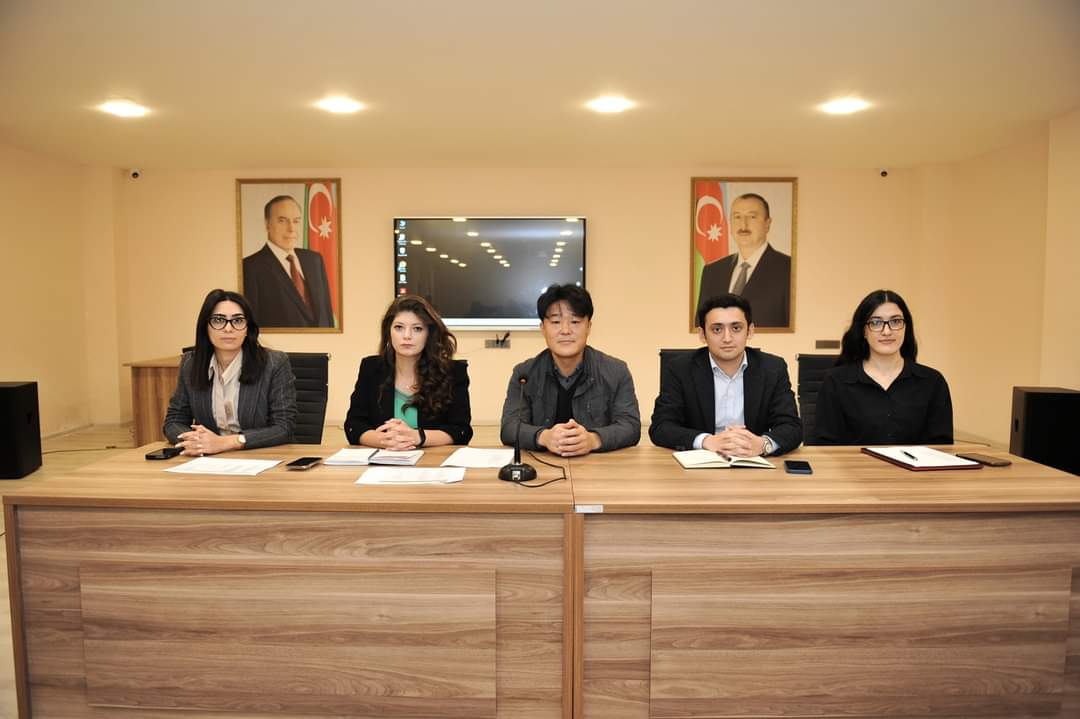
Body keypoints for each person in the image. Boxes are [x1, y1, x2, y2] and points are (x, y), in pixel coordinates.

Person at [650, 293, 802, 455]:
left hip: (752, 459)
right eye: (717, 329)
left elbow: (792, 426)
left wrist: (763, 444)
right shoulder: (680, 369)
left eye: (736, 328)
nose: (727, 338)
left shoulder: (772, 368)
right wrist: (706, 441)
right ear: (702, 334)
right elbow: (661, 427)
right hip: (701, 460)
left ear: (750, 331)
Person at [500, 284, 640, 456]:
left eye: (575, 322)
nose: (565, 331)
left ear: (588, 326)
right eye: (556, 322)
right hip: (542, 466)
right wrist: (544, 437)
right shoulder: (525, 374)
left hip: (598, 467)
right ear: (543, 328)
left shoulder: (616, 371)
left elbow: (630, 426)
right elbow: (509, 427)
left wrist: (593, 440)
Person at [811, 289, 953, 445]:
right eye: (876, 323)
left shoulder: (932, 382)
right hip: (854, 462)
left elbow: (942, 447)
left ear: (906, 327)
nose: (887, 331)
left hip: (914, 462)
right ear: (864, 331)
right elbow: (824, 446)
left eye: (896, 321)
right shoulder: (836, 381)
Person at [164, 289, 296, 455]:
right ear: (206, 327)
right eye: (218, 320)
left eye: (237, 320)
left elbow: (284, 427)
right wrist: (197, 441)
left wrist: (226, 443)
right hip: (209, 459)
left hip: (261, 456)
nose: (228, 328)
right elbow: (174, 421)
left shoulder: (274, 363)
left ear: (247, 328)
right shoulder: (190, 363)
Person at [344, 295, 473, 448]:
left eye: (417, 329)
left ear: (429, 334)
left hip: (433, 459)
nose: (407, 336)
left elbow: (461, 431)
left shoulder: (453, 372)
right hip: (384, 458)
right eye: (399, 327)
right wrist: (385, 440)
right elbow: (354, 425)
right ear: (388, 331)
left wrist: (417, 437)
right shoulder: (371, 367)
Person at [698, 193, 791, 328]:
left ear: (767, 223)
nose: (743, 224)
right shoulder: (712, 271)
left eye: (752, 217)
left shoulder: (788, 269)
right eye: (737, 217)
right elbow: (700, 326)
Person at [242, 194, 334, 328]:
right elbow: (252, 325)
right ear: (267, 224)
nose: (291, 229)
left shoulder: (314, 260)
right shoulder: (251, 267)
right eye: (282, 221)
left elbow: (327, 315)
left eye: (296, 221)